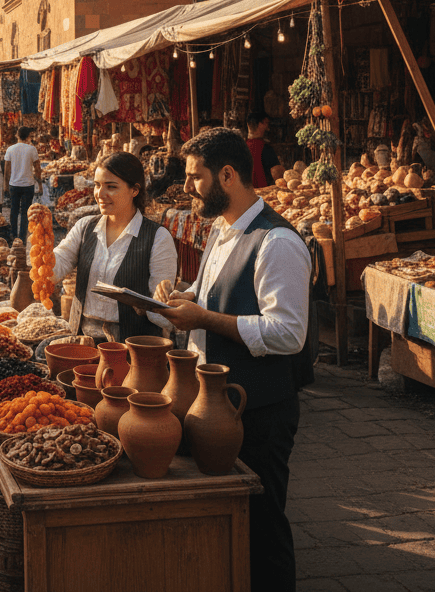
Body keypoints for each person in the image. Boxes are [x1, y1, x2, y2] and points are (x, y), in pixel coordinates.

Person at [157, 127, 311, 592]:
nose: (187, 187)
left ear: (227, 175)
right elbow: (218, 298)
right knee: (228, 523)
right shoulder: (223, 229)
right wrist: (184, 297)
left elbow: (288, 334)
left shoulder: (277, 242)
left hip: (258, 411)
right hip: (217, 404)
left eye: (195, 177)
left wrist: (204, 316)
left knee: (263, 530)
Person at [52, 152, 177, 342]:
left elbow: (163, 311)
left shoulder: (158, 238)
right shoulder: (85, 227)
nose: (100, 194)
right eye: (97, 185)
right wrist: (42, 252)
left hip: (131, 346)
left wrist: (149, 308)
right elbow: (57, 265)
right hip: (84, 340)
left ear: (134, 190)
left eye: (111, 187)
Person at [4, 127, 42, 243]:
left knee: (14, 211)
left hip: (14, 185)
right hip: (28, 185)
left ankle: (13, 236)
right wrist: (40, 185)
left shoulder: (10, 149)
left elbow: (7, 170)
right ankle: (22, 238)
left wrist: (5, 185)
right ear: (28, 136)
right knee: (25, 212)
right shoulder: (32, 149)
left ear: (17, 135)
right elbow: (37, 169)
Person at [246, 112, 281, 187]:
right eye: (267, 123)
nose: (268, 128)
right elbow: (278, 175)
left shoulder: (240, 147)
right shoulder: (266, 149)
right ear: (261, 124)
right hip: (262, 194)